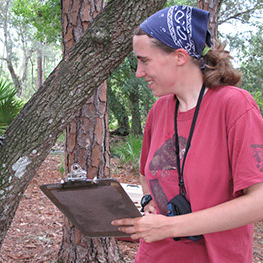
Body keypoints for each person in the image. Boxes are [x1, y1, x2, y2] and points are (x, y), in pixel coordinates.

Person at [112, 5, 263, 262]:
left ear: (180, 56)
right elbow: (145, 173)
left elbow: (258, 202)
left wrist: (169, 227)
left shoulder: (235, 106)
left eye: (144, 60)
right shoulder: (159, 110)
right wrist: (148, 199)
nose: (139, 73)